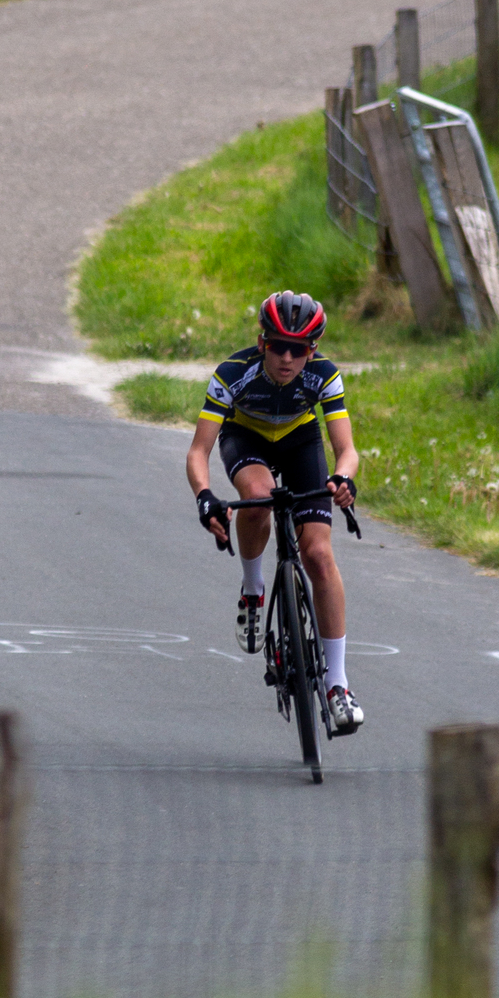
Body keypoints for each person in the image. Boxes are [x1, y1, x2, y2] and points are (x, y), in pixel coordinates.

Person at [185, 288, 365, 734]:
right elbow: (198, 452)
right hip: (245, 438)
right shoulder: (232, 374)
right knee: (260, 495)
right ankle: (253, 588)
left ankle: (337, 685)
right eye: (278, 346)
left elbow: (347, 450)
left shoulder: (324, 376)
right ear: (262, 342)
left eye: (298, 349)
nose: (287, 358)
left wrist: (342, 479)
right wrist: (205, 496)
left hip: (300, 441)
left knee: (319, 557)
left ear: (312, 350)